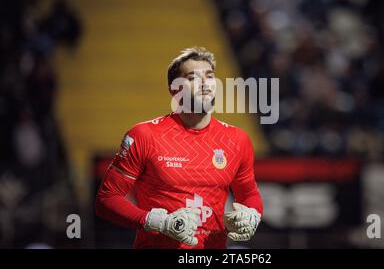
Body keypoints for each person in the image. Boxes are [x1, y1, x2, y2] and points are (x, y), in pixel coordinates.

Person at [95, 46, 263, 248]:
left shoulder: (237, 139)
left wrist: (252, 214)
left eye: (209, 76)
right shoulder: (144, 135)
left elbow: (249, 195)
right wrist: (159, 222)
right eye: (192, 78)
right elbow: (107, 199)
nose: (204, 84)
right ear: (174, 89)